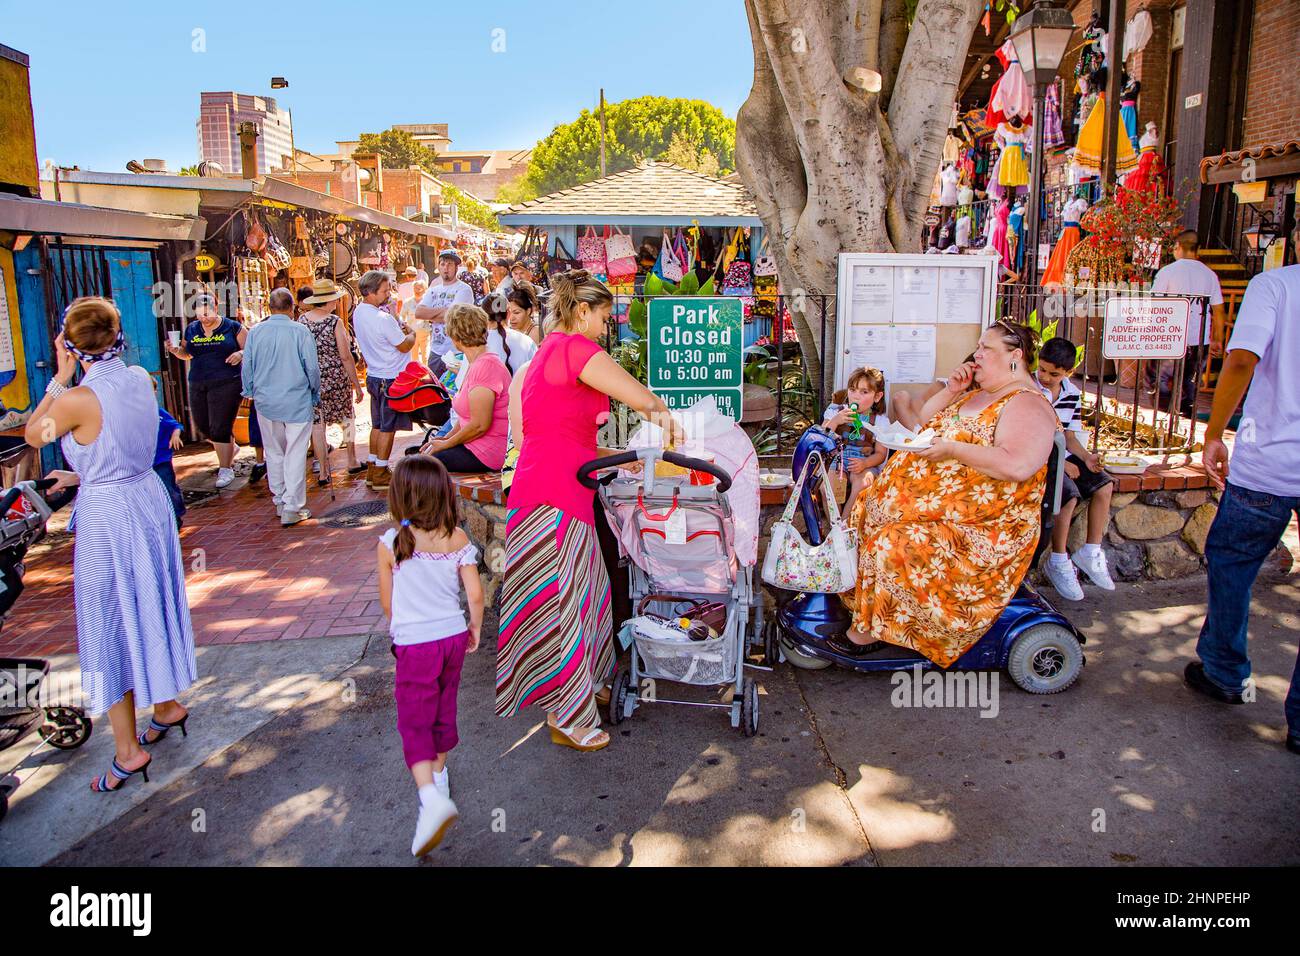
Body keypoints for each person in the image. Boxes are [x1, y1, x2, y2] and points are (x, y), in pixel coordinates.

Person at [496, 270, 682, 753]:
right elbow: (646, 401)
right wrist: (674, 432)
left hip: (550, 488)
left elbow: (565, 433)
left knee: (587, 596)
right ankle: (567, 714)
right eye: (603, 317)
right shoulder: (574, 349)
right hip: (555, 496)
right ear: (582, 312)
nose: (606, 327)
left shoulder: (545, 355)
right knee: (567, 607)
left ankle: (588, 686)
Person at [24, 297, 197, 792]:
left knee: (108, 621)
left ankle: (128, 750)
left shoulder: (76, 397)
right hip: (147, 498)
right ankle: (165, 704)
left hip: (109, 515)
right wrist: (84, 472)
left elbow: (36, 436)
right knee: (149, 603)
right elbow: (118, 441)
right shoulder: (139, 377)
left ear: (71, 343)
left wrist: (60, 374)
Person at [840, 321, 1057, 662]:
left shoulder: (1026, 404)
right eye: (979, 347)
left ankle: (878, 630)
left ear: (1015, 357)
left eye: (987, 348)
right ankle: (871, 612)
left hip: (982, 527)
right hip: (938, 509)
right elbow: (925, 424)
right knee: (865, 511)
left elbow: (1016, 465)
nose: (978, 354)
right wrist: (953, 389)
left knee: (892, 541)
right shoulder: (979, 393)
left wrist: (954, 450)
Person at [1192, 229, 1300, 756]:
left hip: (1269, 465)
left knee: (1232, 563)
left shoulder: (1275, 286)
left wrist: (1214, 433)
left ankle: (1225, 672)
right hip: (1271, 466)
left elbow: (1240, 360)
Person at [377, 455, 483, 856]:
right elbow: (474, 594)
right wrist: (473, 627)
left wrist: (404, 630)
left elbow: (389, 605)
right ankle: (439, 777)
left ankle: (430, 798)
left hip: (415, 645)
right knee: (442, 709)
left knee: (413, 723)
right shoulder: (457, 539)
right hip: (452, 639)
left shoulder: (391, 544)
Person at [1034, 336, 1116, 599]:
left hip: (1063, 452)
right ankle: (1058, 559)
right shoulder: (1030, 388)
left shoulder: (1072, 394)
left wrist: (1086, 456)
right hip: (1042, 455)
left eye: (1053, 374)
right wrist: (1062, 463)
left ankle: (1091, 551)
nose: (1045, 377)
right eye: (1042, 369)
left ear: (1068, 373)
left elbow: (1069, 435)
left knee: (1104, 484)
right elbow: (1032, 433)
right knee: (1067, 494)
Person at [241, 288, 320, 527]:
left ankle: (280, 500)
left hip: (266, 401)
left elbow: (248, 365)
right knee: (295, 451)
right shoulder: (300, 331)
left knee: (274, 451)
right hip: (297, 399)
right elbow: (312, 368)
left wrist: (250, 391)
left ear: (269, 307)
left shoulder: (256, 332)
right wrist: (314, 392)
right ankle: (292, 506)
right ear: (292, 307)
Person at [163, 292, 246, 488]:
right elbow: (187, 354)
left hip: (227, 381)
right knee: (203, 425)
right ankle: (229, 447)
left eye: (207, 313)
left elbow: (250, 349)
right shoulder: (192, 329)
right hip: (198, 381)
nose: (203, 318)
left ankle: (225, 469)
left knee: (220, 425)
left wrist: (240, 354)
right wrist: (176, 351)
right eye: (199, 314)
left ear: (216, 309)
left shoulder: (232, 327)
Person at [420, 305, 512, 473]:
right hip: (477, 446)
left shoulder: (485, 366)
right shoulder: (476, 362)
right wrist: (444, 438)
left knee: (423, 466)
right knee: (423, 456)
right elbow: (466, 419)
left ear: (455, 337)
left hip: (488, 451)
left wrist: (446, 444)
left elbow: (479, 425)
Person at [352, 270, 416, 492]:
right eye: (384, 290)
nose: (388, 294)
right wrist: (412, 334)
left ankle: (372, 466)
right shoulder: (383, 318)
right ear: (370, 292)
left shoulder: (359, 312)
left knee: (377, 424)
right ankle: (380, 471)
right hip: (390, 377)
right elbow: (404, 345)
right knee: (388, 427)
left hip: (374, 374)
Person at [1151, 230, 1226, 417]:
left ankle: (1162, 416)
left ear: (1177, 247)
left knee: (1160, 378)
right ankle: (1185, 414)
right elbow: (1218, 310)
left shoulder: (1167, 272)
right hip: (1199, 337)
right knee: (1190, 380)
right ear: (1197, 249)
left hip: (1170, 335)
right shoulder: (1209, 275)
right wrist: (1217, 338)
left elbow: (1154, 303)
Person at [298, 278, 365, 485]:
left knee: (318, 424)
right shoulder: (334, 322)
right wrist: (356, 384)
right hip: (336, 376)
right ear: (328, 302)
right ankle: (352, 460)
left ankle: (324, 471)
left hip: (312, 377)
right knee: (347, 417)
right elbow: (345, 356)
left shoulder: (302, 321)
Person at [821, 367, 888, 515]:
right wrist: (835, 421)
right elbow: (821, 436)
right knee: (828, 490)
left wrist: (865, 463)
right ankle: (835, 528)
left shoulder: (880, 421)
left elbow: (880, 454)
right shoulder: (835, 411)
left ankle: (845, 527)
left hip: (863, 460)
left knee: (862, 486)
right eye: (852, 390)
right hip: (837, 459)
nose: (856, 396)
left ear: (877, 397)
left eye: (864, 392)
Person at [415, 250, 474, 362]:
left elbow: (454, 316)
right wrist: (445, 311)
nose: (446, 268)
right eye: (443, 264)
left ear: (457, 267)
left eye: (450, 264)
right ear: (438, 267)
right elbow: (419, 313)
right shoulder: (433, 290)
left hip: (457, 352)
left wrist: (431, 315)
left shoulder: (464, 289)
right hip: (436, 352)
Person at [480, 291, 538, 375]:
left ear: (484, 316)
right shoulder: (527, 341)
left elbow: (463, 381)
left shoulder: (477, 343)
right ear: (508, 313)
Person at [154, 406, 185, 527]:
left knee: (168, 487)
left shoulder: (156, 411)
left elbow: (175, 425)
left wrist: (175, 436)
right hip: (145, 462)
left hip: (161, 458)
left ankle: (176, 515)